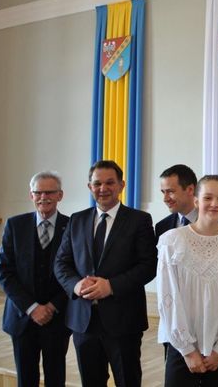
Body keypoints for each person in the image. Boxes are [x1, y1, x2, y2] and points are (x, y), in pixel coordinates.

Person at [54, 160, 157, 387]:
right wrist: (75, 285)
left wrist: (111, 286)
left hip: (124, 320)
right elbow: (61, 263)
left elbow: (148, 266)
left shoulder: (139, 220)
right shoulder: (76, 220)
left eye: (110, 182)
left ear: (121, 185)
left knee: (128, 381)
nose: (103, 188)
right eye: (97, 183)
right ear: (89, 187)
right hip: (84, 321)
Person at [157, 175, 218, 386]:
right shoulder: (172, 241)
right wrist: (187, 350)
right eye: (208, 197)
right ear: (196, 201)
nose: (215, 204)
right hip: (181, 348)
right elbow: (168, 298)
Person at [0, 171, 71, 387]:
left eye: (49, 192)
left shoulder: (73, 226)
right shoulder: (15, 225)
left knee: (56, 378)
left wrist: (52, 306)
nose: (43, 197)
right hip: (22, 317)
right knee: (26, 379)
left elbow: (75, 273)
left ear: (60, 195)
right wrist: (32, 308)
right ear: (31, 195)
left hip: (57, 318)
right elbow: (4, 272)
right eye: (38, 192)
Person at [155, 164, 218, 244]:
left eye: (170, 192)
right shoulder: (162, 226)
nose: (165, 199)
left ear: (190, 189)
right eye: (163, 192)